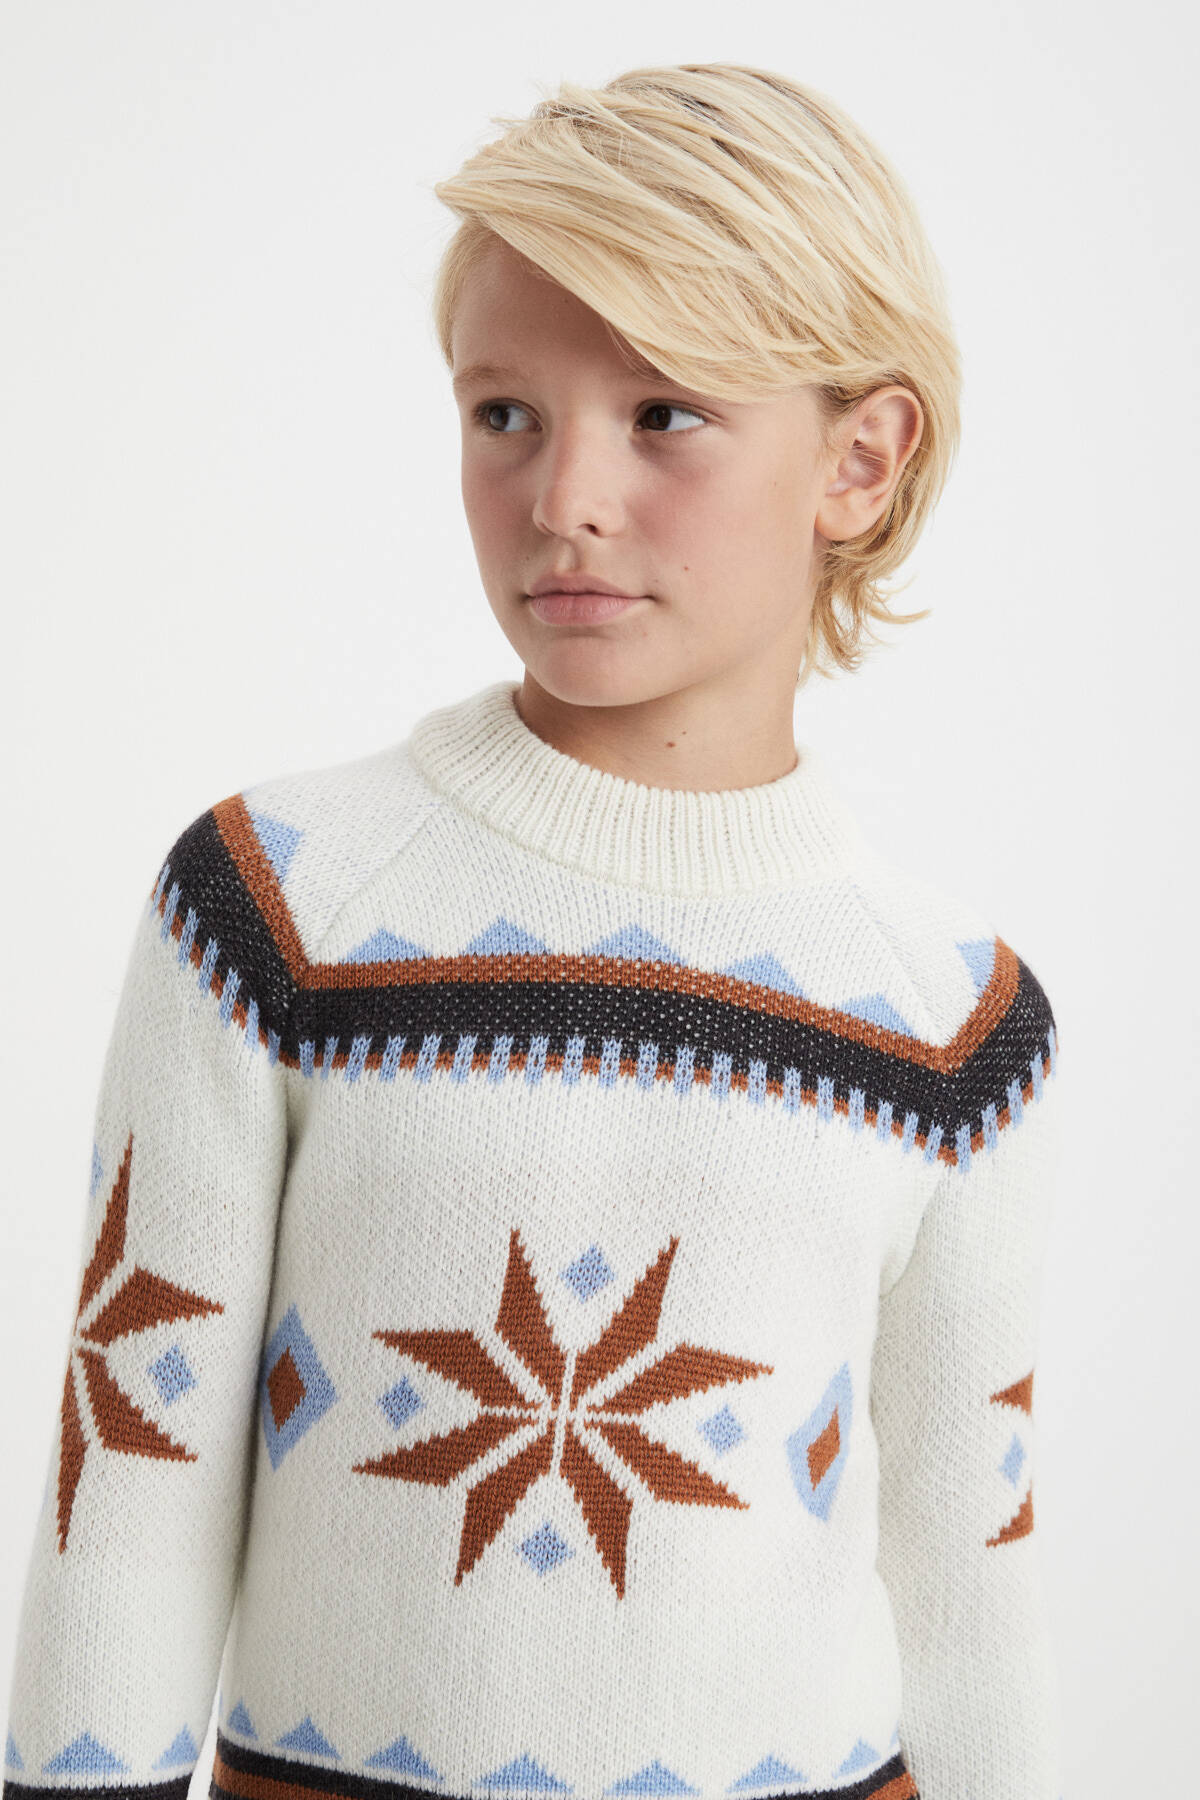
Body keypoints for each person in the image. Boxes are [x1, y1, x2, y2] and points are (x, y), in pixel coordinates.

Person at [1, 61, 1065, 1800]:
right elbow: (127, 1482)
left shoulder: (959, 1022)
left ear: (862, 461)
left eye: (664, 413)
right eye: (504, 412)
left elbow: (972, 1586)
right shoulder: (271, 903)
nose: (564, 494)